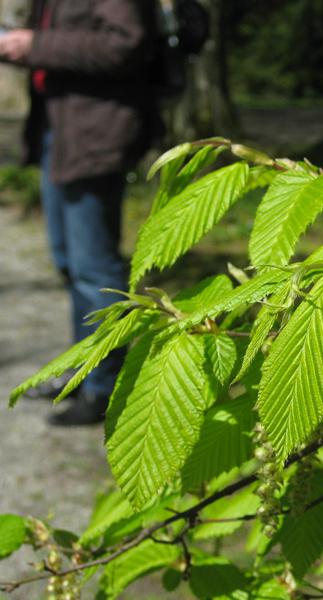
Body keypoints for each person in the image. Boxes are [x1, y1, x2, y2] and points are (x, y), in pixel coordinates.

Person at [0, 0, 162, 425]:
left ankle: (104, 387)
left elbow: (126, 43)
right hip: (63, 131)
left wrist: (36, 45)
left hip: (97, 134)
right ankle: (84, 370)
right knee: (70, 261)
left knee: (95, 268)